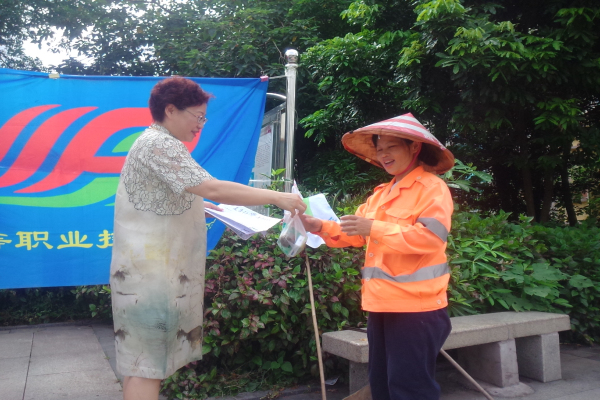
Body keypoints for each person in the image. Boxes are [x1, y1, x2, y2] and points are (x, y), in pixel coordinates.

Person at [110, 76, 306, 400]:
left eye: (204, 118)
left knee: (141, 364)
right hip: (152, 277)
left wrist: (198, 206)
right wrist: (276, 196)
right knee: (148, 367)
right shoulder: (160, 143)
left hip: (143, 275)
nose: (201, 125)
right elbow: (211, 187)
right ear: (170, 110)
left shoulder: (153, 141)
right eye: (198, 116)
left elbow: (167, 198)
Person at [300, 113, 455, 400]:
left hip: (417, 309)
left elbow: (430, 239)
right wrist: (318, 226)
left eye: (391, 147)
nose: (384, 155)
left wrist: (374, 228)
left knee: (410, 389)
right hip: (381, 305)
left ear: (414, 147)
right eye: (379, 149)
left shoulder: (432, 188)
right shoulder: (381, 194)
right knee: (381, 385)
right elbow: (355, 233)